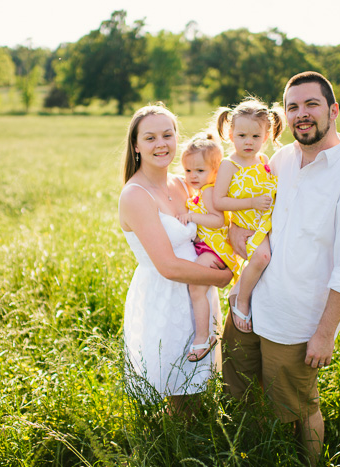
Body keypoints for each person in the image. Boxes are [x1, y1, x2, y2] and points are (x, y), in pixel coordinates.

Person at [222, 72, 340, 466]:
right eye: (293, 107)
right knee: (244, 394)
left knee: (300, 406)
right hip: (250, 306)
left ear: (333, 110)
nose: (301, 114)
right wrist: (237, 229)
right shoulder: (281, 159)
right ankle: (252, 456)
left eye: (311, 105)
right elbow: (261, 215)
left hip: (296, 322)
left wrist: (324, 335)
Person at [118, 103, 232, 414]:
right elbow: (167, 266)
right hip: (165, 296)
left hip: (197, 293)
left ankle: (193, 443)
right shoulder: (135, 195)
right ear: (136, 145)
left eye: (168, 135)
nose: (161, 144)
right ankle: (173, 451)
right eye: (151, 137)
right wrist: (223, 278)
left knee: (196, 390)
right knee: (176, 390)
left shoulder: (182, 183)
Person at [211, 97, 285, 333]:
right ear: (231, 134)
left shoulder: (263, 160)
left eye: (255, 137)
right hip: (247, 224)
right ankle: (240, 298)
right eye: (242, 136)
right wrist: (251, 202)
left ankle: (240, 290)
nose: (248, 142)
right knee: (262, 258)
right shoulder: (229, 165)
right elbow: (219, 200)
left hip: (266, 222)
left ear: (266, 136)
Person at [175, 132, 242, 362]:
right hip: (209, 248)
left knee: (196, 288)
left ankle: (203, 337)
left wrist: (191, 217)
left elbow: (218, 220)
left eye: (200, 171)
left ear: (215, 172)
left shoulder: (210, 191)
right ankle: (206, 334)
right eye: (188, 171)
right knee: (198, 289)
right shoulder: (201, 191)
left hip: (216, 251)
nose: (192, 176)